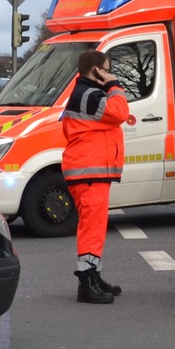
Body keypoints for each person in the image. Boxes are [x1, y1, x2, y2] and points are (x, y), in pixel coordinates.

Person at [61, 50, 129, 304]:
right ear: (97, 70)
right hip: (88, 171)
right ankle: (87, 284)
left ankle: (94, 277)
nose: (110, 74)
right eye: (107, 69)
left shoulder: (86, 94)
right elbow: (120, 112)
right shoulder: (90, 94)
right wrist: (114, 85)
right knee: (92, 229)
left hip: (89, 171)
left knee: (95, 228)